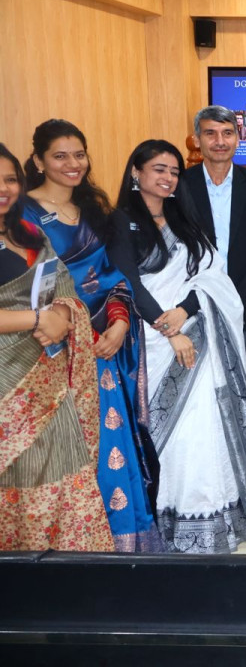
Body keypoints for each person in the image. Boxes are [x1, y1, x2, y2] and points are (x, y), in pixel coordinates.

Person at [115, 139, 246, 553]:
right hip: (150, 341)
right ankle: (165, 520)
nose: (169, 178)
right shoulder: (119, 222)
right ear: (135, 172)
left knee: (203, 428)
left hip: (198, 335)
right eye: (159, 169)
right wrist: (169, 331)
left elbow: (212, 277)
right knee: (169, 435)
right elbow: (127, 283)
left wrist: (185, 311)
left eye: (174, 171)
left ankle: (211, 517)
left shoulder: (184, 221)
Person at [22, 120, 161, 552]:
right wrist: (69, 324)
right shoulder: (22, 215)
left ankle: (117, 546)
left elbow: (114, 279)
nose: (73, 164)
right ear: (39, 161)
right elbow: (25, 291)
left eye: (79, 154)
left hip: (101, 350)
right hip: (49, 352)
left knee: (109, 448)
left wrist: (120, 324)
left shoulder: (95, 211)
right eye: (60, 156)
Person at [0, 143, 115, 552]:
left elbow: (61, 287)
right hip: (8, 386)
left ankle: (66, 572)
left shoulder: (28, 233)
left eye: (10, 179)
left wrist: (64, 315)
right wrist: (37, 320)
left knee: (66, 472)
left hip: (50, 383)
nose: (4, 189)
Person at [182, 105, 246, 520]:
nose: (219, 141)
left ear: (238, 139)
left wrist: (232, 298)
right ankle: (218, 490)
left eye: (227, 133)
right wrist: (206, 300)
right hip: (194, 311)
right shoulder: (181, 185)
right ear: (197, 140)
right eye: (210, 133)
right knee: (203, 403)